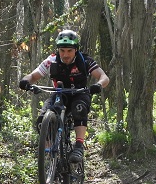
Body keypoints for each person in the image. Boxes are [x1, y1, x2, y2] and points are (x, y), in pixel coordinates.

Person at [19, 30, 109, 163]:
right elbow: (33, 76)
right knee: (41, 121)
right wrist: (25, 81)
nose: (65, 54)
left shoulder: (85, 60)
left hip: (79, 93)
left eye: (69, 51)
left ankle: (78, 146)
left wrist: (99, 85)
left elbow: (104, 77)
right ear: (58, 50)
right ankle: (51, 159)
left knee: (79, 109)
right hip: (59, 94)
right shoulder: (51, 61)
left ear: (76, 50)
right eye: (62, 51)